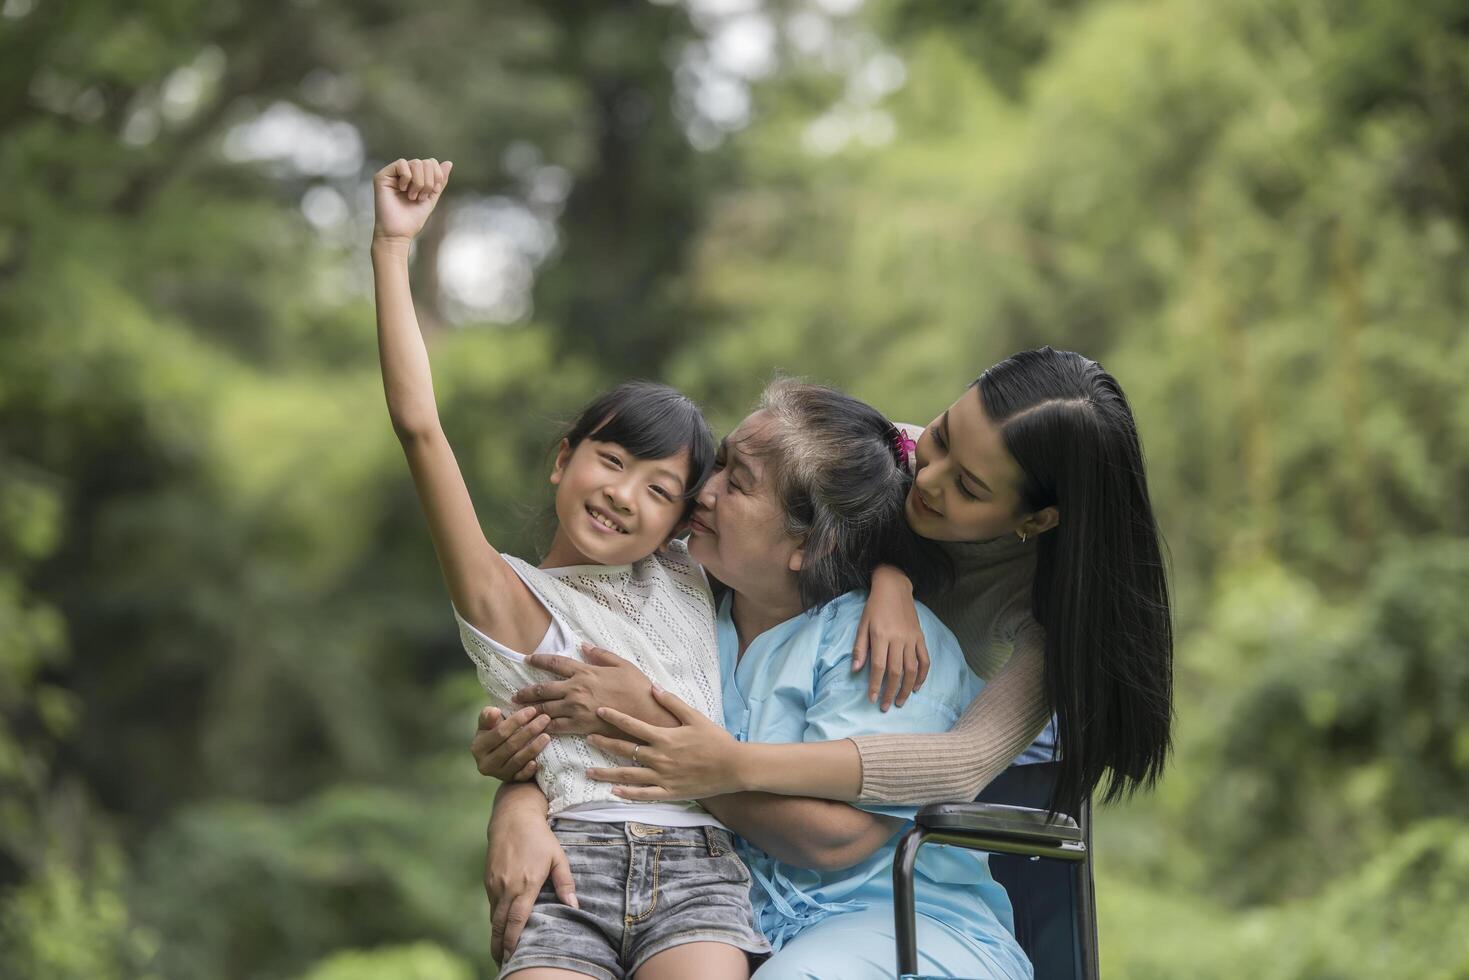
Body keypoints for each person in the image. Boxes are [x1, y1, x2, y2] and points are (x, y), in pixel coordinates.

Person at [371, 156, 768, 980]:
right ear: (564, 458)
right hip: (565, 870)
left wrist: (892, 583)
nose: (623, 495)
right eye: (611, 459)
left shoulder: (691, 576)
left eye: (659, 488)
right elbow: (419, 429)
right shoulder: (507, 598)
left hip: (698, 868)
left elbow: (862, 474)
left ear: (681, 516)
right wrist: (391, 246)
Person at [486, 382, 1033, 979]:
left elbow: (836, 840)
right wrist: (517, 803)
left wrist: (653, 732)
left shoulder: (887, 646)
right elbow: (570, 737)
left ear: (812, 542)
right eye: (717, 462)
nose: (705, 489)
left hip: (896, 923)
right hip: (721, 914)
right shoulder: (680, 610)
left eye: (737, 481)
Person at [485, 348, 1174, 821]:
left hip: (902, 786)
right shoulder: (885, 466)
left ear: (1036, 518)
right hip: (763, 733)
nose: (922, 482)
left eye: (963, 486)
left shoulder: (1044, 613)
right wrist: (888, 572)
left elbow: (960, 766)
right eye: (934, 438)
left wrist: (732, 765)